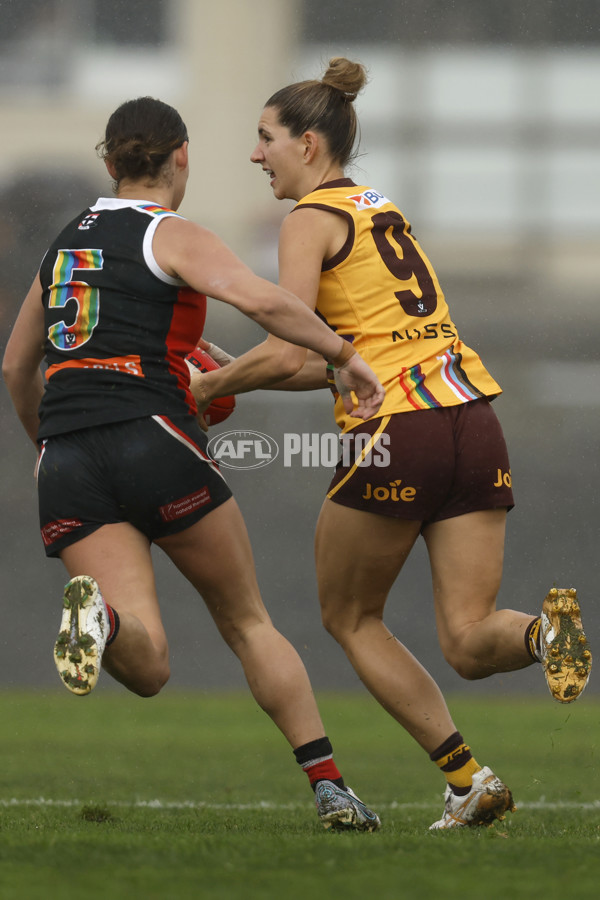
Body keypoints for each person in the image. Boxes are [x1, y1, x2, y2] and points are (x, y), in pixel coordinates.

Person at [190, 58, 592, 830]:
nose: (254, 154)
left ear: (308, 144)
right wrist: (241, 369)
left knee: (349, 617)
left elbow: (288, 347)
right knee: (471, 640)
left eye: (264, 138)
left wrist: (208, 385)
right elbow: (333, 362)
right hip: (473, 418)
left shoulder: (306, 218)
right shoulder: (381, 209)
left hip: (399, 431)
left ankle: (469, 777)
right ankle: (545, 636)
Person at [2, 96, 386, 833]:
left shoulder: (60, 246)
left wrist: (47, 448)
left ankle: (104, 623)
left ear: (109, 164)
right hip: (154, 437)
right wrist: (344, 357)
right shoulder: (170, 234)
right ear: (181, 158)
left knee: (147, 668)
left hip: (68, 457)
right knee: (246, 622)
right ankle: (330, 788)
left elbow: (19, 367)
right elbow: (266, 303)